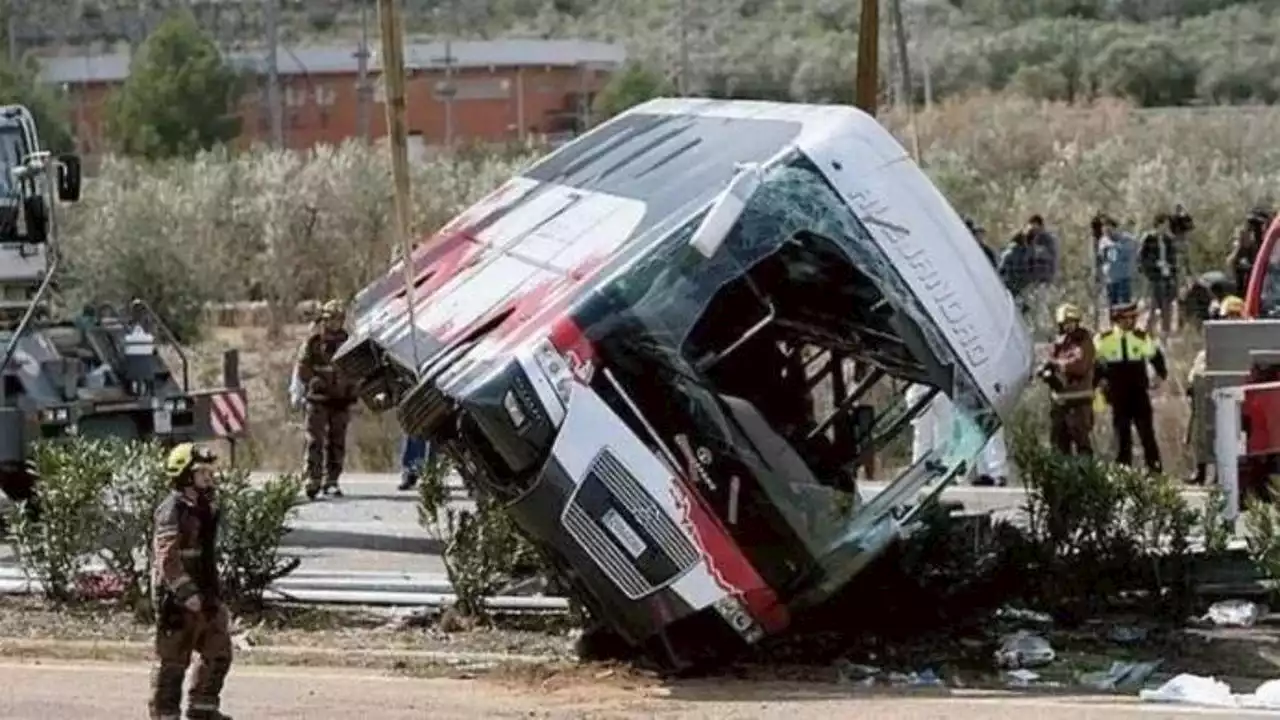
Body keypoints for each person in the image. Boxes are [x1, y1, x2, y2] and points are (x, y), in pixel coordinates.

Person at [149, 443, 233, 720]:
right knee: (173, 663)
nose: (209, 477)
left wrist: (211, 594)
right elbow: (167, 558)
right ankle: (165, 715)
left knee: (219, 651)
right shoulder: (171, 510)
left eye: (210, 472)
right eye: (201, 472)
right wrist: (187, 593)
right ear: (184, 474)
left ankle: (202, 710)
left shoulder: (205, 507)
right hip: (177, 600)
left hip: (206, 594)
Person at [1094, 302, 1168, 472]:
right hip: (1118, 393)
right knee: (1122, 432)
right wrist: (1097, 387)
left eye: (1133, 318)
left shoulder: (1141, 337)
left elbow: (1155, 356)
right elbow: (1096, 365)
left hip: (1138, 391)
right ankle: (1123, 469)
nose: (1131, 322)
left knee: (1146, 432)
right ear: (1116, 320)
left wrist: (1161, 375)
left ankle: (1154, 468)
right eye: (1126, 319)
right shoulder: (1104, 339)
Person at [298, 299, 358, 499]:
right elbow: (303, 367)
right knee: (315, 440)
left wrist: (350, 388)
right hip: (318, 398)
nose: (335, 323)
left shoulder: (349, 342)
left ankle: (331, 480)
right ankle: (312, 478)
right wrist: (315, 382)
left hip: (341, 399)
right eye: (331, 319)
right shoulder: (314, 342)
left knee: (337, 441)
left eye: (338, 319)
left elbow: (355, 369)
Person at [1185, 295, 1245, 485]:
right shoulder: (1209, 348)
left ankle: (1224, 474)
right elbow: (1197, 373)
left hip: (1235, 397)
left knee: (1230, 436)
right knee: (1202, 430)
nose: (1232, 320)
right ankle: (1201, 471)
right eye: (1229, 316)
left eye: (1236, 316)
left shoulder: (1247, 343)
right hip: (1212, 396)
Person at [907, 383, 1008, 487]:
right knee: (924, 434)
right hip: (922, 386)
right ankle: (920, 475)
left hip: (944, 386)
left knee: (945, 432)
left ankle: (942, 473)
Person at [1039, 303, 1096, 456]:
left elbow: (1080, 365)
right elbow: (1049, 360)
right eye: (1065, 324)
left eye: (1071, 322)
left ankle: (1086, 476)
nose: (1068, 327)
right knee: (1058, 445)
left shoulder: (1084, 341)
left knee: (1082, 442)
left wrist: (1057, 365)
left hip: (1079, 401)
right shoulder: (1058, 343)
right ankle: (1062, 477)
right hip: (1059, 402)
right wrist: (1046, 370)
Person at [1138, 212, 1185, 337]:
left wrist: (1172, 271)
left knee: (1166, 308)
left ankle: (1165, 334)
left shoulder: (1168, 240)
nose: (1166, 227)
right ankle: (1147, 333)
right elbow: (1142, 259)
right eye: (1164, 224)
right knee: (1152, 307)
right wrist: (1154, 265)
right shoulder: (1148, 238)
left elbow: (1173, 259)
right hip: (1153, 278)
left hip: (1167, 278)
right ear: (1158, 224)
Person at [1096, 215, 1138, 307]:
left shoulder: (1127, 240)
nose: (1107, 231)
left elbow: (1133, 254)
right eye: (1104, 229)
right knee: (1112, 306)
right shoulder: (1103, 241)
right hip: (1110, 279)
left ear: (1115, 228)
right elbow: (1101, 259)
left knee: (1125, 306)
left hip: (1124, 277)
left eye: (1109, 229)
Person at [1229, 207, 1272, 298]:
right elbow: (1232, 263)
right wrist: (1240, 246)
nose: (1256, 229)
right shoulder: (1245, 243)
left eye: (1259, 225)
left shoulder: (1271, 244)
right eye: (1252, 224)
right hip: (1247, 292)